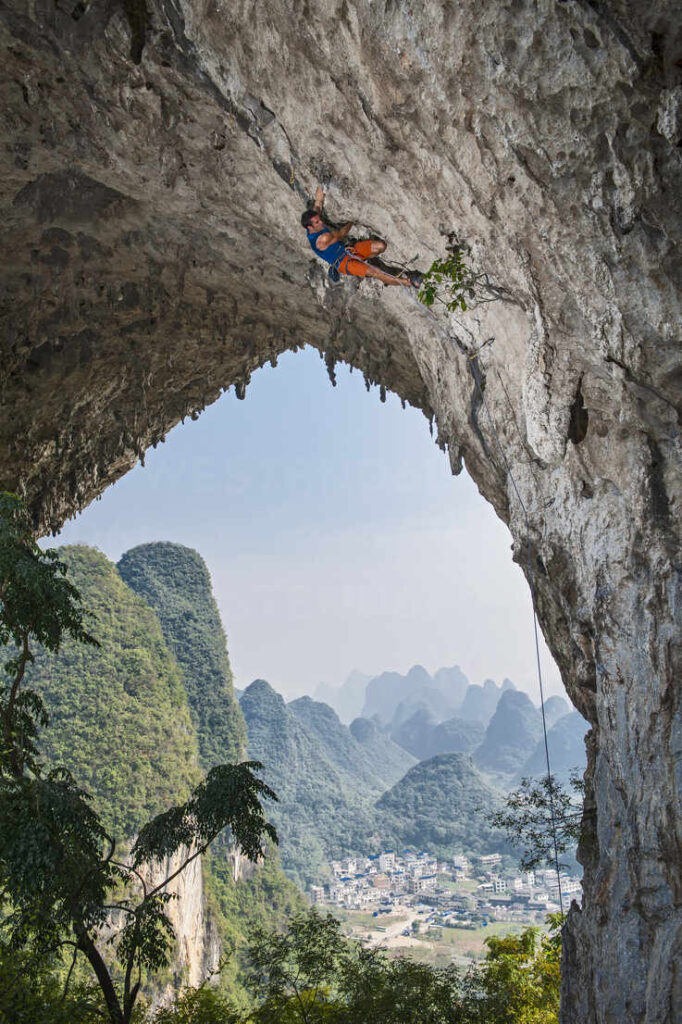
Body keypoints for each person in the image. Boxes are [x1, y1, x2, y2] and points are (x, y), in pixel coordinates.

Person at [301, 187, 420, 288]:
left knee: (381, 246)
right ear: (310, 227)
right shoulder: (322, 239)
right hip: (343, 263)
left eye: (319, 219)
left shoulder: (313, 225)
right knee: (376, 272)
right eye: (317, 222)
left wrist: (320, 191)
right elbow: (342, 233)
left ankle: (368, 261)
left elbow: (318, 204)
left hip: (349, 250)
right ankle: (408, 283)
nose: (321, 222)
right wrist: (352, 220)